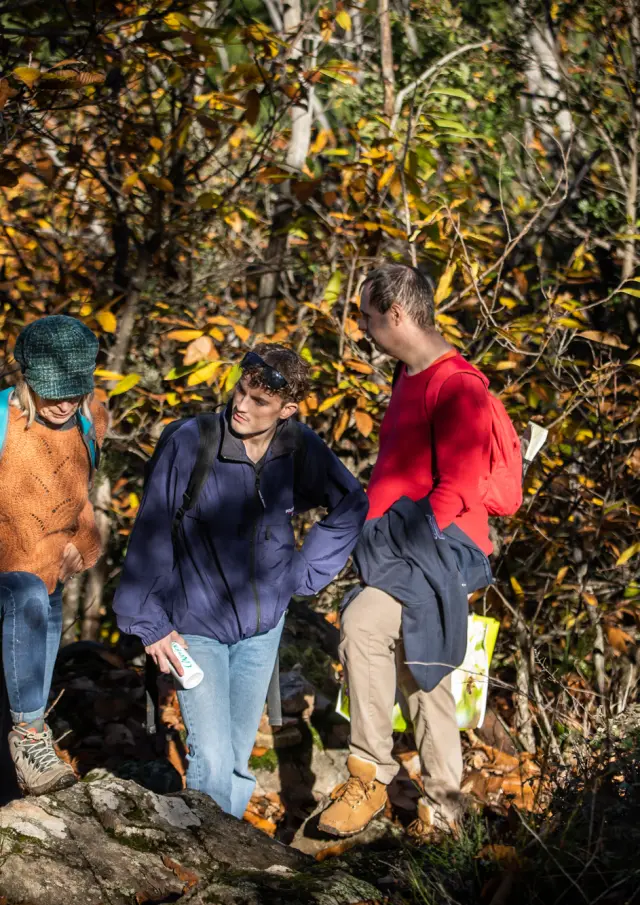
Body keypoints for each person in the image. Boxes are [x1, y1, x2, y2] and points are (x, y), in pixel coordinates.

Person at [113, 344, 368, 819]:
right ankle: (209, 867)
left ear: (287, 410)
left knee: (235, 759)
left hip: (263, 629)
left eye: (259, 402)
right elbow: (150, 530)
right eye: (241, 391)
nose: (242, 406)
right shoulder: (193, 441)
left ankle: (227, 869)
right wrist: (150, 622)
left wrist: (305, 571)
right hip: (195, 625)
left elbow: (350, 502)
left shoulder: (297, 447)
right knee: (210, 758)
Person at [318, 264, 494, 842]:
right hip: (407, 547)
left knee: (375, 629)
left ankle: (389, 783)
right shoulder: (407, 375)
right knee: (413, 662)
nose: (363, 327)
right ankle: (428, 800)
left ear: (396, 314)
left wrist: (405, 549)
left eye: (367, 315)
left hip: (437, 549)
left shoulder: (458, 385)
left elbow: (460, 487)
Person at [0, 315, 108, 795]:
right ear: (24, 378)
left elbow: (80, 500)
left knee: (35, 596)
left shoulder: (91, 418)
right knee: (23, 588)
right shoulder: (3, 421)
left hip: (41, 593)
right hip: (8, 585)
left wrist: (81, 546)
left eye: (74, 389)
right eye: (52, 389)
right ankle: (29, 735)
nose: (64, 402)